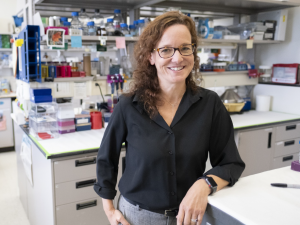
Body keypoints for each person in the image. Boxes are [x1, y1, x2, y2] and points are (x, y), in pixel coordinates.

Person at [94, 11, 245, 225]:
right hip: (136, 217)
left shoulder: (210, 104)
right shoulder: (129, 105)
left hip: (189, 217)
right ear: (151, 56)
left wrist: (204, 184)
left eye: (185, 48)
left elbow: (231, 164)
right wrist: (109, 210)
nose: (178, 58)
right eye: (166, 50)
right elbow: (106, 159)